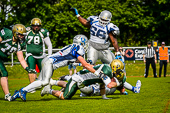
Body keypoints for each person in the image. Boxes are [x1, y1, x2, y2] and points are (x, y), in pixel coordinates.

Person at [11, 34, 103, 101]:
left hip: (48, 61)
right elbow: (84, 64)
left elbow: (77, 62)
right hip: (50, 62)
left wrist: (87, 63)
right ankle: (23, 90)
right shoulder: (79, 47)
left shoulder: (72, 47)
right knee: (44, 82)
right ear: (82, 43)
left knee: (40, 84)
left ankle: (18, 93)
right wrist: (97, 73)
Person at [41, 63, 126, 100]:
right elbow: (110, 85)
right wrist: (119, 83)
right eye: (118, 71)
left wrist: (104, 97)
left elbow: (102, 85)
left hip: (80, 80)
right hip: (78, 79)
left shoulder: (106, 68)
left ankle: (52, 82)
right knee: (65, 96)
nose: (118, 73)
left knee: (69, 85)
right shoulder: (107, 72)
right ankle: (48, 90)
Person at [0, 24, 36, 101]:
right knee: (4, 73)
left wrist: (27, 69)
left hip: (1, 58)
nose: (22, 37)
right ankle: (7, 95)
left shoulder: (19, 44)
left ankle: (7, 95)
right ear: (15, 33)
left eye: (23, 35)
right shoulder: (7, 34)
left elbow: (21, 59)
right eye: (20, 35)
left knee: (4, 74)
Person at [25, 18, 52, 83]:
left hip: (41, 55)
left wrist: (50, 56)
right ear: (31, 25)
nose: (36, 27)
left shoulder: (43, 32)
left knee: (44, 72)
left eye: (38, 26)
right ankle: (32, 86)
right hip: (30, 54)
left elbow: (49, 45)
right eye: (34, 25)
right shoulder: (27, 31)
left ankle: (46, 85)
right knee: (31, 70)